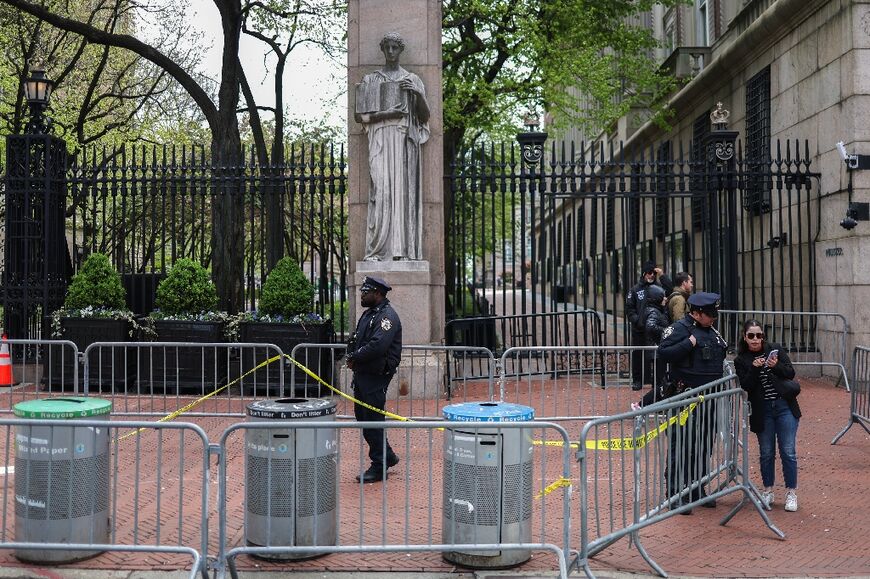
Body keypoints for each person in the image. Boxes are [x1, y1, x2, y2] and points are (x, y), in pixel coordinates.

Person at [354, 32, 430, 261]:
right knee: (382, 192)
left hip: (402, 138)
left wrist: (418, 95)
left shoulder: (412, 80)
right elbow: (360, 116)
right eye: (387, 47)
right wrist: (389, 113)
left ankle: (401, 250)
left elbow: (425, 116)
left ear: (400, 49)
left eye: (395, 47)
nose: (390, 51)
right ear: (382, 49)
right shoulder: (371, 80)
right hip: (379, 138)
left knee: (402, 193)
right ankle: (377, 250)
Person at [657, 292, 727, 514]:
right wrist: (688, 344)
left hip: (709, 398)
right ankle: (676, 492)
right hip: (684, 398)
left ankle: (697, 488)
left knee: (704, 444)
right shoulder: (680, 329)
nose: (713, 318)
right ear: (696, 313)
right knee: (681, 444)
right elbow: (663, 353)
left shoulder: (712, 331)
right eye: (709, 314)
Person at [734, 320, 801, 512]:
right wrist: (755, 368)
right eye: (751, 336)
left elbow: (790, 372)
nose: (756, 340)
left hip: (784, 407)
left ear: (763, 336)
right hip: (763, 411)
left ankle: (791, 492)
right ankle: (768, 490)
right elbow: (746, 385)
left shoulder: (775, 350)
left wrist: (775, 365)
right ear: (745, 337)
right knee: (766, 452)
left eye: (759, 335)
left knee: (788, 451)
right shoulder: (741, 360)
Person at [346, 276, 402, 482]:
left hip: (376, 375)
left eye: (365, 292)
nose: (361, 294)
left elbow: (378, 345)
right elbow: (357, 339)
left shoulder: (387, 317)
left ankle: (379, 466)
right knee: (364, 417)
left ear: (378, 294)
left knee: (372, 420)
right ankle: (387, 455)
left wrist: (355, 357)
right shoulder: (370, 314)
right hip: (364, 373)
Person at [633, 284, 671, 408]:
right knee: (661, 383)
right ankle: (643, 405)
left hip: (658, 351)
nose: (666, 299)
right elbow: (651, 326)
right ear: (657, 298)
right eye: (663, 297)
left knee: (660, 382)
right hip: (657, 351)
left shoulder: (655, 310)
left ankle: (653, 405)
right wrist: (668, 330)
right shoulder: (653, 311)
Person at [625, 260, 658, 391]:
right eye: (649, 273)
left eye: (654, 273)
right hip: (639, 330)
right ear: (644, 273)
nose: (652, 276)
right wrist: (638, 321)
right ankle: (637, 380)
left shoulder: (658, 288)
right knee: (638, 354)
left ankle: (655, 380)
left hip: (654, 329)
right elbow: (629, 308)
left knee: (655, 355)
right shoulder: (635, 290)